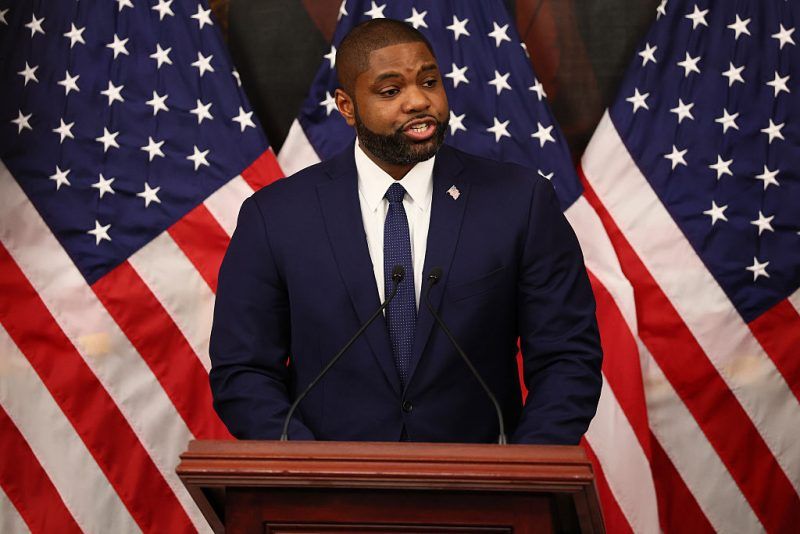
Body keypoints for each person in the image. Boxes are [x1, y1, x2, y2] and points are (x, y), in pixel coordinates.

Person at [209, 19, 602, 444]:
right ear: (347, 106)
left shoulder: (520, 202)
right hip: (328, 496)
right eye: (391, 90)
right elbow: (244, 370)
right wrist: (313, 471)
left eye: (429, 81)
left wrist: (524, 473)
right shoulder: (275, 217)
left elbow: (568, 358)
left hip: (483, 496)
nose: (418, 101)